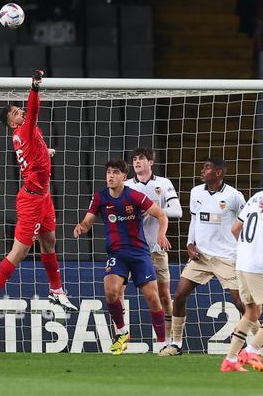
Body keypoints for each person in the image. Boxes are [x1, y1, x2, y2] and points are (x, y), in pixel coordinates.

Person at [0, 70, 77, 312]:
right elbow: (35, 111)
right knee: (19, 252)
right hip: (31, 199)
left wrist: (46, 153)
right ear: (11, 122)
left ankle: (56, 291)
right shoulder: (24, 130)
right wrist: (35, 88)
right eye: (15, 112)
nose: (20, 111)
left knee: (50, 241)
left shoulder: (25, 135)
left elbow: (33, 154)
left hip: (44, 196)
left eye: (19, 109)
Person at [73, 159, 171, 355]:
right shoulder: (100, 197)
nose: (110, 176)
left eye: (115, 172)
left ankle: (162, 342)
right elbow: (88, 220)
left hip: (139, 253)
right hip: (117, 254)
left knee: (152, 297)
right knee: (111, 292)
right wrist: (81, 227)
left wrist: (161, 234)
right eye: (108, 172)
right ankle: (122, 332)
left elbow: (161, 215)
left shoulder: (134, 196)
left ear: (124, 177)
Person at [161, 158, 247, 356]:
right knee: (180, 295)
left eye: (207, 168)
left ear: (218, 173)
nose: (202, 170)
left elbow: (246, 222)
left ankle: (260, 341)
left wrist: (243, 250)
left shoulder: (234, 196)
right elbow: (194, 220)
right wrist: (190, 244)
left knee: (240, 303)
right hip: (201, 256)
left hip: (227, 256)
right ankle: (176, 344)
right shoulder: (196, 192)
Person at [220, 160, 263, 373]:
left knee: (251, 313)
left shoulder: (254, 198)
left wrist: (247, 248)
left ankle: (230, 360)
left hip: (242, 261)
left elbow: (235, 228)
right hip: (260, 264)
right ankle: (252, 350)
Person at [124, 147, 182, 350]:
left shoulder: (163, 184)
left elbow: (177, 211)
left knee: (164, 295)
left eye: (141, 159)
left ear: (151, 162)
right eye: (134, 159)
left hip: (157, 248)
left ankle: (169, 340)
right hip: (131, 249)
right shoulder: (126, 186)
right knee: (118, 292)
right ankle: (120, 337)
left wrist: (153, 210)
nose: (137, 162)